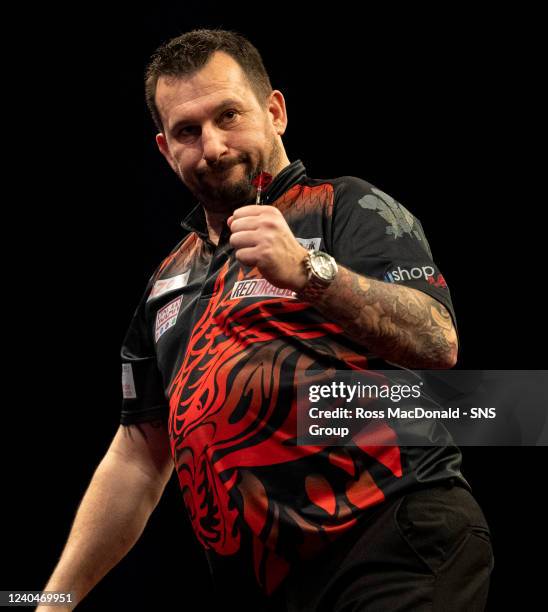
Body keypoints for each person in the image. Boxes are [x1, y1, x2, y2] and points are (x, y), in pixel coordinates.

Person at [39, 29, 494, 612]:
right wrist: (49, 602)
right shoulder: (164, 286)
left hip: (393, 538)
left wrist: (308, 271)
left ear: (274, 111)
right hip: (266, 585)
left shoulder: (346, 206)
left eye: (229, 115)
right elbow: (137, 453)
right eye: (187, 131)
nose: (213, 146)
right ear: (163, 149)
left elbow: (438, 340)